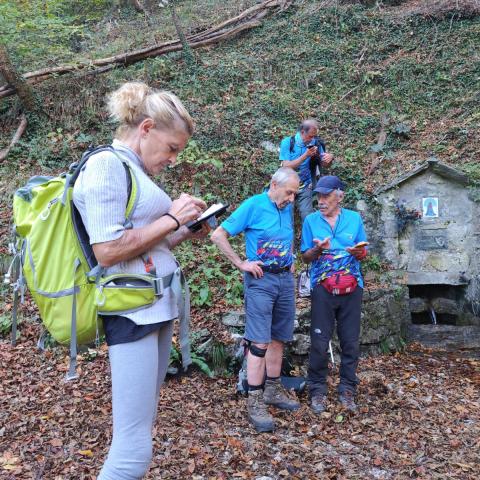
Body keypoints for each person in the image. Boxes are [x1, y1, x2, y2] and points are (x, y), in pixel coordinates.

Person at [73, 82, 208, 479]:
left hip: (154, 308)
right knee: (133, 445)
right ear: (146, 127)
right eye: (171, 148)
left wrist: (185, 229)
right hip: (131, 312)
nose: (173, 159)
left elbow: (146, 245)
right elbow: (109, 250)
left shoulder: (134, 169)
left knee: (142, 429)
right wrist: (172, 218)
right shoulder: (106, 165)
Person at [211, 167, 301, 432]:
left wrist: (291, 259)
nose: (292, 199)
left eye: (295, 194)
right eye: (289, 193)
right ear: (273, 184)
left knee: (278, 337)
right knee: (259, 341)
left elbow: (285, 237)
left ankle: (273, 390)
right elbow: (218, 234)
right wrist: (241, 262)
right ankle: (255, 400)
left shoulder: (285, 206)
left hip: (285, 280)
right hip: (260, 281)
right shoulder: (254, 205)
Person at [301, 175, 368, 414]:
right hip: (323, 286)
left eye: (327, 195)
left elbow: (364, 252)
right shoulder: (311, 221)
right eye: (318, 195)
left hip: (352, 286)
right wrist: (318, 249)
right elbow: (305, 256)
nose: (321, 200)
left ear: (340, 196)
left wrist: (358, 252)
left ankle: (347, 389)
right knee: (319, 340)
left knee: (350, 341)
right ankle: (317, 390)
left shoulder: (354, 218)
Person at [280, 119, 334, 222]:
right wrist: (305, 156)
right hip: (287, 185)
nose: (312, 139)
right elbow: (286, 166)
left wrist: (329, 158)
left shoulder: (316, 144)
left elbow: (324, 164)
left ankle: (309, 238)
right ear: (302, 132)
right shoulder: (288, 142)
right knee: (286, 217)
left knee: (307, 217)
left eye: (314, 136)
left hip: (306, 185)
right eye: (310, 136)